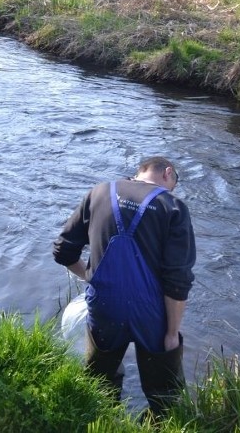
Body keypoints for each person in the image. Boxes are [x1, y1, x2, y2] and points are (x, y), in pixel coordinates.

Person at [53, 156, 196, 417]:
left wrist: (88, 276)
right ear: (167, 173)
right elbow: (178, 281)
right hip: (152, 316)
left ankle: (101, 421)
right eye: (174, 183)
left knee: (98, 383)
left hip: (104, 308)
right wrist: (172, 332)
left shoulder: (99, 193)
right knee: (166, 398)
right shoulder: (173, 207)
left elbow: (63, 251)